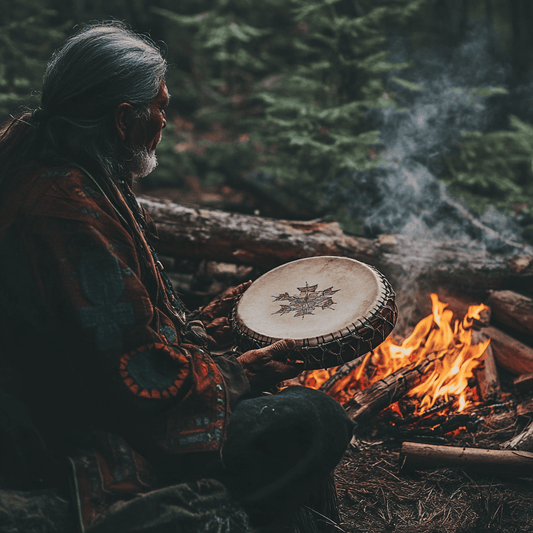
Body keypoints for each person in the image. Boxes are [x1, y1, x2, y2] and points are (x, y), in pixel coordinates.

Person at [0, 21, 355, 532]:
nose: (165, 120)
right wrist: (239, 374)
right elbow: (131, 375)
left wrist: (208, 326)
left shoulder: (70, 166)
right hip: (73, 432)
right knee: (312, 419)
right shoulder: (65, 213)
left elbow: (119, 321)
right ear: (124, 118)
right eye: (160, 106)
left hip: (80, 402)